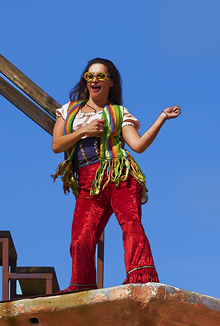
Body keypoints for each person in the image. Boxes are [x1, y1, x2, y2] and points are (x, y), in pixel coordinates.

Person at [52, 58, 181, 292]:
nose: (94, 80)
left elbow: (138, 145)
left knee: (130, 224)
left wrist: (162, 117)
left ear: (111, 82)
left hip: (119, 173)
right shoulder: (69, 111)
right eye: (89, 76)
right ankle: (81, 287)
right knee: (80, 239)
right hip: (88, 182)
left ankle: (141, 278)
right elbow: (57, 145)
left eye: (100, 76)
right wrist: (84, 131)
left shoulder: (119, 113)